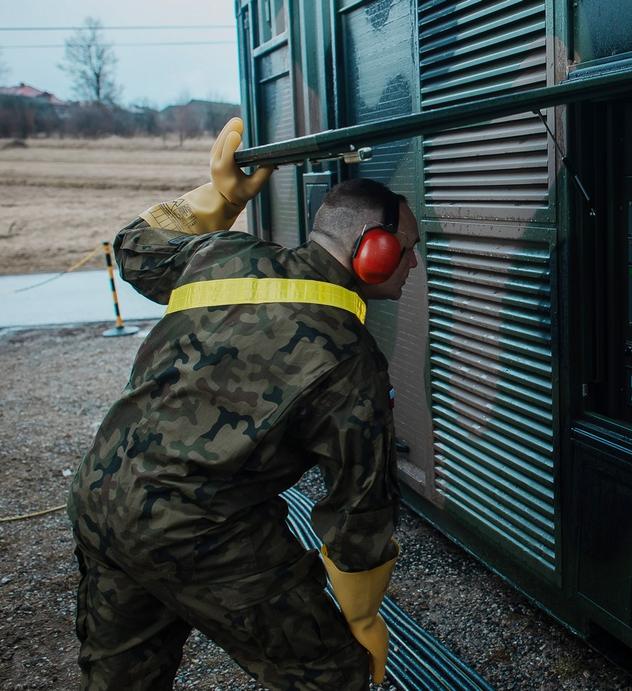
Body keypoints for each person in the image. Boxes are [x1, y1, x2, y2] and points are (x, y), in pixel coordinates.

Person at [67, 117, 420, 690]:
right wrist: (360, 615)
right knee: (329, 676)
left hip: (103, 496)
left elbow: (133, 247)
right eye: (407, 251)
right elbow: (360, 508)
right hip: (203, 534)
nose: (414, 266)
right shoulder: (351, 358)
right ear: (371, 252)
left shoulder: (221, 255)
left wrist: (220, 197)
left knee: (119, 676)